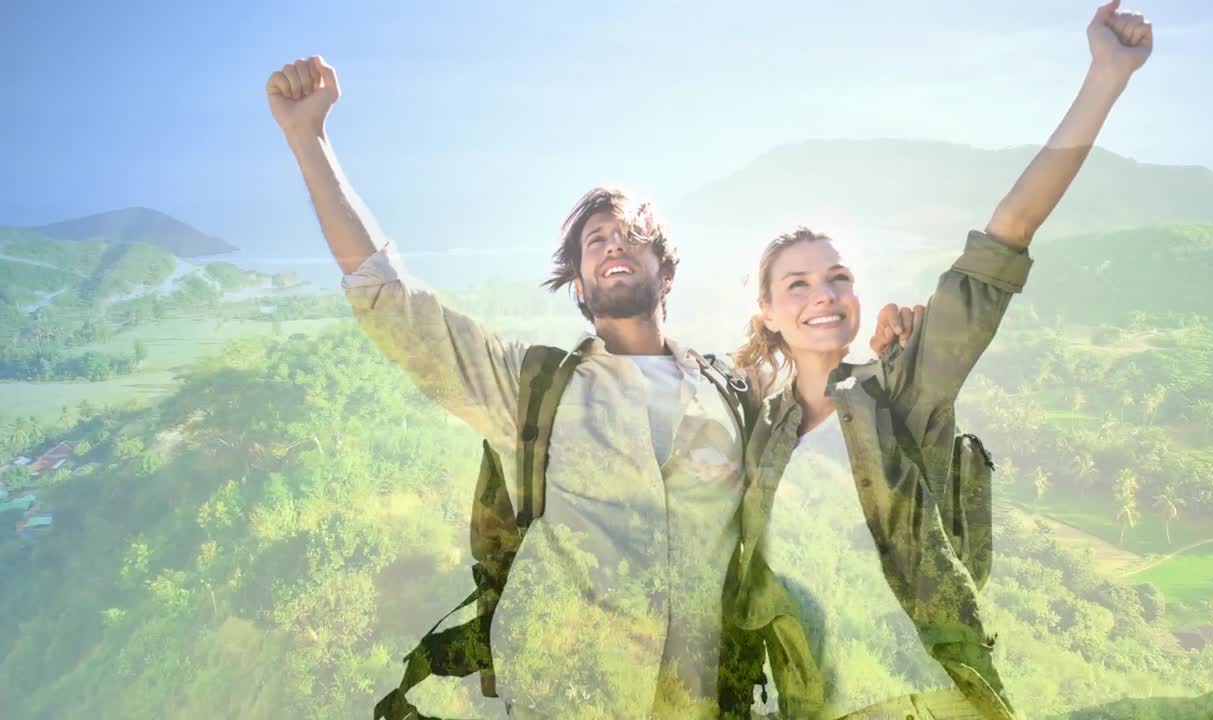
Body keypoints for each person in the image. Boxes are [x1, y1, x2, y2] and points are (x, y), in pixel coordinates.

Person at [266, 59, 917, 718]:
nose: (614, 243)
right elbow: (393, 302)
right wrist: (309, 140)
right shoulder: (534, 388)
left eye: (632, 236)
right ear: (578, 285)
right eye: (596, 239)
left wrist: (890, 349)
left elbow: (817, 391)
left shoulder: (729, 393)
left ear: (665, 273)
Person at [727, 3, 1154, 719]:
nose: (823, 295)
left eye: (838, 277)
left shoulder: (899, 394)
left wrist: (1105, 78)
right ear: (767, 313)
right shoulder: (756, 434)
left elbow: (1003, 239)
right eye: (796, 284)